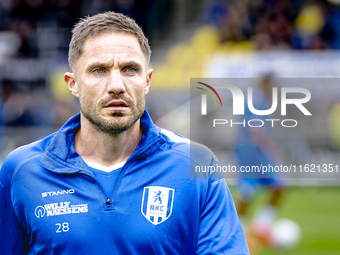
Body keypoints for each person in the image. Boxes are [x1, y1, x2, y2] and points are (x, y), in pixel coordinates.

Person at [0, 12, 249, 254]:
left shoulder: (196, 166)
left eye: (130, 69)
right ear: (73, 84)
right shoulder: (22, 171)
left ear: (147, 81)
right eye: (99, 70)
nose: (117, 86)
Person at [234, 76, 286, 247]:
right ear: (266, 84)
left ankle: (258, 227)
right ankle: (241, 230)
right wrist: (273, 151)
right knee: (252, 191)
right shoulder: (257, 100)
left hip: (250, 151)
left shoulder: (257, 100)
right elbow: (255, 129)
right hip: (253, 152)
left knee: (273, 187)